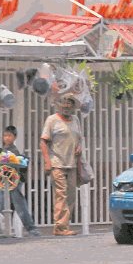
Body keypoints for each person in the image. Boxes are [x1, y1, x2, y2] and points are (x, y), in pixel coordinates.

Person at [0, 125, 40, 236]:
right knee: (0, 203)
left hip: (13, 181)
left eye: (9, 136)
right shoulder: (0, 150)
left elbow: (16, 166)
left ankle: (31, 228)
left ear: (14, 137)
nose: (7, 138)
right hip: (3, 181)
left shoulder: (14, 151)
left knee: (16, 204)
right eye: (5, 135)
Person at [40, 94, 84, 236]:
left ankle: (63, 225)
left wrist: (79, 147)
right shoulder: (52, 120)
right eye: (64, 103)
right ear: (59, 105)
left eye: (69, 103)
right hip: (57, 163)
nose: (66, 105)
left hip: (72, 163)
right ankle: (60, 227)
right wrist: (47, 162)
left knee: (71, 196)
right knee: (61, 194)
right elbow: (43, 142)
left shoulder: (76, 120)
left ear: (73, 106)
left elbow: (79, 138)